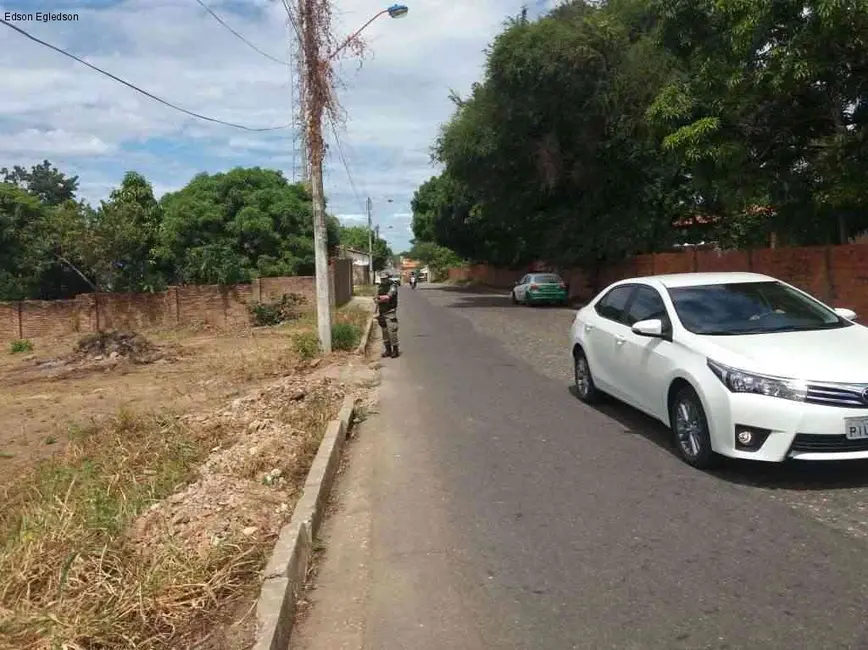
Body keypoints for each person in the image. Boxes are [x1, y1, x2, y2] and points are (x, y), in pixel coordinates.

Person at [375, 273, 399, 358]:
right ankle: (388, 350)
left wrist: (379, 298)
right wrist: (377, 300)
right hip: (382, 312)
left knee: (392, 332)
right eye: (382, 279)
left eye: (385, 278)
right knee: (384, 333)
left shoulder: (393, 286)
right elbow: (376, 298)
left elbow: (389, 296)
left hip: (390, 312)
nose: (383, 280)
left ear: (388, 278)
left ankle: (395, 350)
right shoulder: (380, 286)